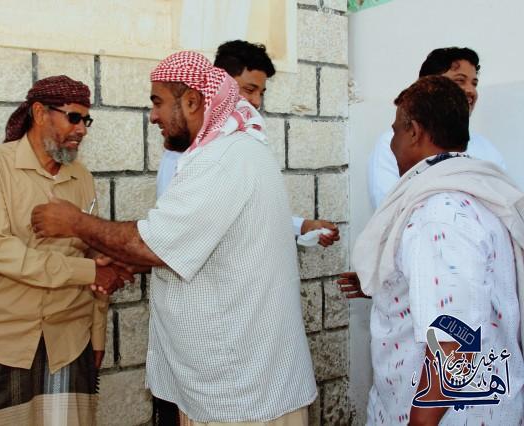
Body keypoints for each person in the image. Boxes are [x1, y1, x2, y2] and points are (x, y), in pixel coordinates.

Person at [31, 51, 317, 425]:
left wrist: (75, 223)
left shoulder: (221, 160)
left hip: (239, 386)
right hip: (233, 373)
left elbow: (154, 243)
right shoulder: (226, 152)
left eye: (158, 102)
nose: (153, 116)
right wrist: (126, 259)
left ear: (193, 102)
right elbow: (184, 243)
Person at [346, 75, 524, 425]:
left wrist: (421, 422)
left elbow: (455, 339)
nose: (393, 143)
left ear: (414, 131)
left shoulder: (438, 214)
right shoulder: (476, 190)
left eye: (396, 131)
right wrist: (393, 285)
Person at [0, 75, 132, 425]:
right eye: (74, 117)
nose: (81, 129)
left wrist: (97, 334)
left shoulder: (81, 177)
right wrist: (90, 271)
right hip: (3, 339)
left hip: (69, 339)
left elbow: (94, 255)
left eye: (86, 120)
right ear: (39, 113)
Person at [157, 40, 339, 245]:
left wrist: (303, 226)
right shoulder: (188, 145)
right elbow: (174, 222)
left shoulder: (246, 140)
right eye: (249, 90)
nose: (256, 102)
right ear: (221, 84)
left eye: (261, 93)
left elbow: (252, 212)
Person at [368, 47, 506, 210]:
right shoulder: (392, 143)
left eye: (474, 83)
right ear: (428, 87)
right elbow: (388, 209)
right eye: (459, 81)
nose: (471, 90)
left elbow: (505, 206)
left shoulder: (486, 147)